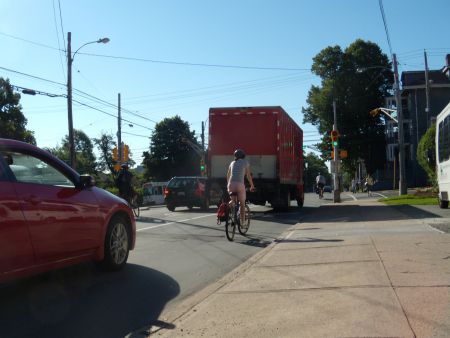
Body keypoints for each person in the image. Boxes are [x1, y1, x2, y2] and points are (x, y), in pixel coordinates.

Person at [227, 149, 255, 226]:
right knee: (242, 204)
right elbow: (248, 176)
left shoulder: (232, 163)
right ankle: (242, 222)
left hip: (231, 184)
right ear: (243, 156)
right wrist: (252, 185)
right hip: (239, 185)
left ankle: (229, 207)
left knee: (233, 200)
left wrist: (228, 185)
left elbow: (228, 175)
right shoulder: (245, 162)